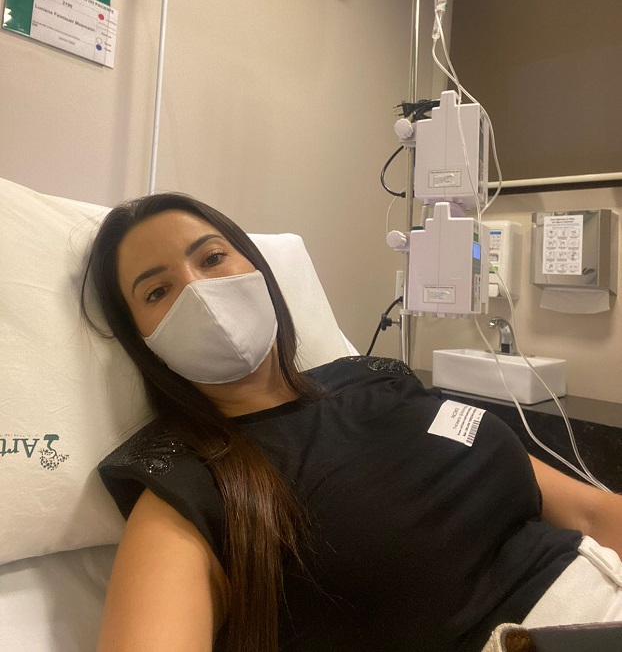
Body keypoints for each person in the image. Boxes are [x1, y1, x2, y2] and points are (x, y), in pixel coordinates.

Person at [81, 192, 622, 652]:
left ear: (257, 270)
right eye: (157, 291)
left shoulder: (374, 378)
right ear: (142, 342)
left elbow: (591, 512)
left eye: (213, 257)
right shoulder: (188, 486)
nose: (197, 290)